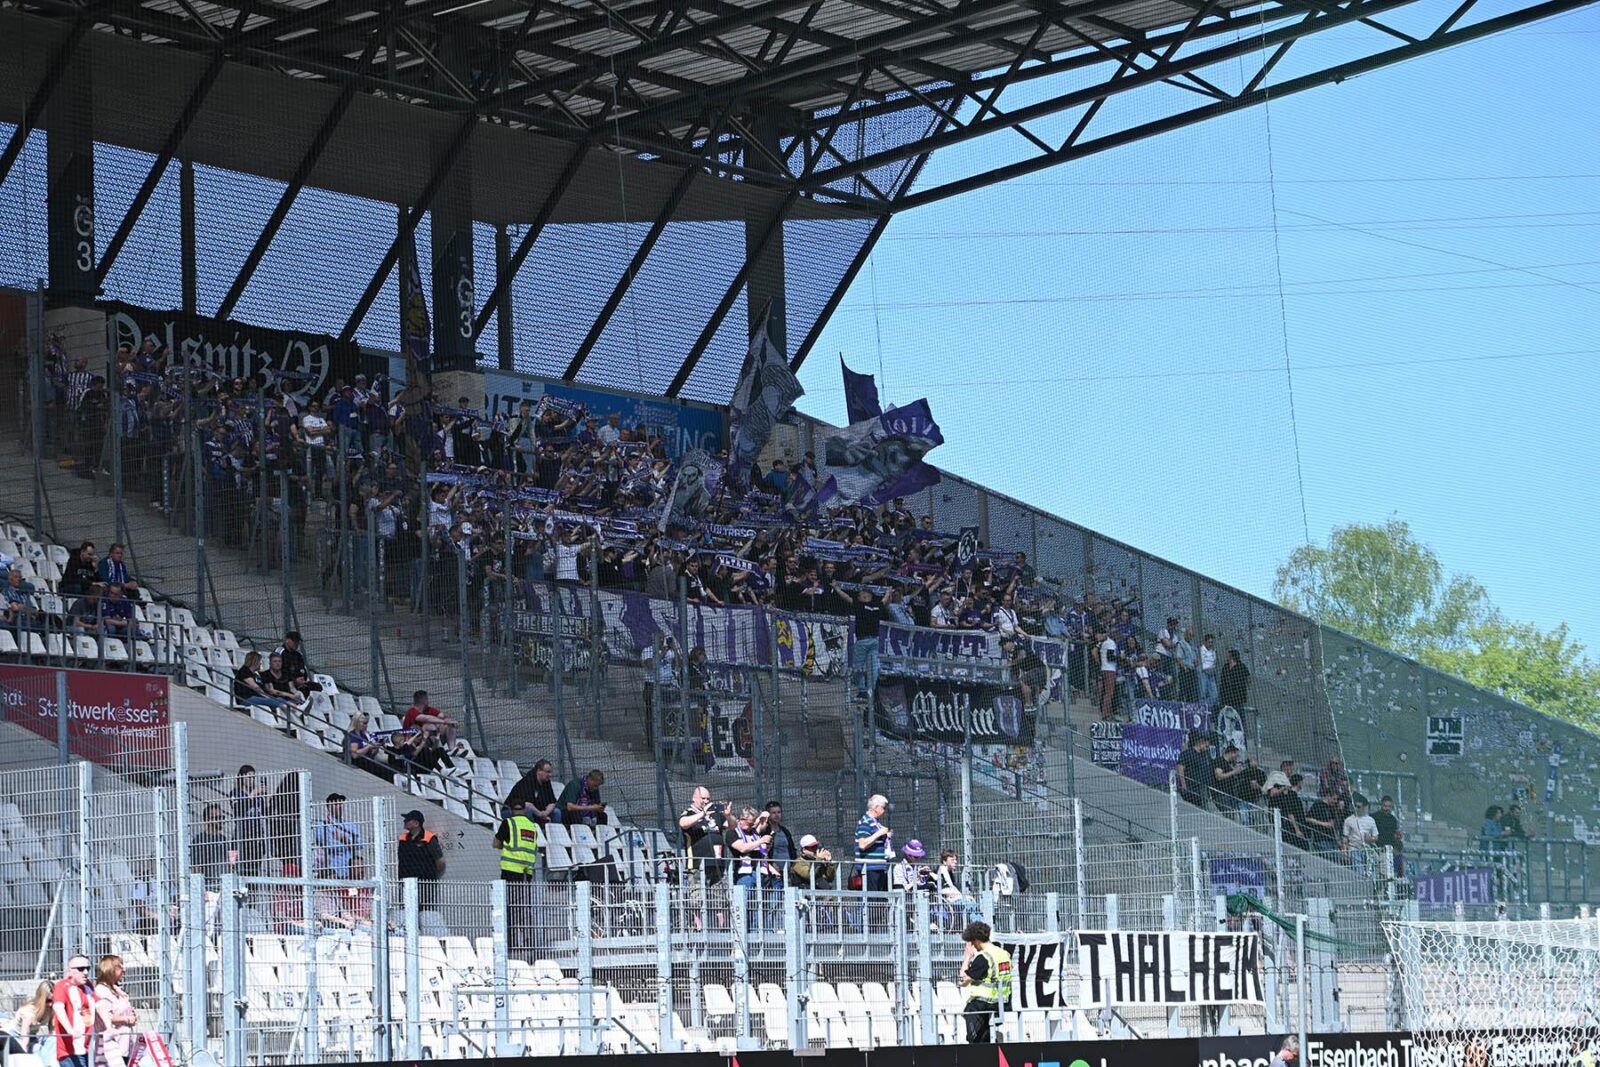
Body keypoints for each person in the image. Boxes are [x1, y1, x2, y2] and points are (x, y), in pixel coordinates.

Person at [678, 785, 729, 930]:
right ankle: (698, 927)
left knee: (719, 898)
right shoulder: (689, 813)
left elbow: (731, 826)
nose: (706, 801)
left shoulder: (714, 814)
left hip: (717, 863)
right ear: (694, 799)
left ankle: (722, 929)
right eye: (703, 798)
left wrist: (728, 815)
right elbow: (683, 823)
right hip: (697, 864)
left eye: (708, 798)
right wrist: (702, 814)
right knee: (697, 898)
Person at [493, 802, 541, 947]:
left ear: (512, 810)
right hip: (528, 873)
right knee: (524, 908)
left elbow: (496, 844)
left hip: (511, 870)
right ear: (525, 810)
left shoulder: (508, 823)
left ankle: (511, 943)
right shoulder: (532, 826)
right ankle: (528, 942)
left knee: (510, 907)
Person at [958, 920, 1011, 1044]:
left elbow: (963, 980)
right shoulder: (1004, 954)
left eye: (971, 941)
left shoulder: (983, 957)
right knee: (987, 1038)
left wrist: (967, 957)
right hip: (1002, 1003)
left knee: (975, 1041)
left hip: (982, 1005)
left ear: (975, 940)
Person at [92, 955, 140, 1067]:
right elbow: (107, 1016)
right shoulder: (101, 991)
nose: (124, 969)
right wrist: (127, 1019)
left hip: (126, 1042)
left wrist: (132, 1014)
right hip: (112, 1045)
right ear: (110, 970)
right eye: (119, 967)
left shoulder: (116, 990)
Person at [51, 956, 95, 1067]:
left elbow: (94, 1007)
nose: (85, 972)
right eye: (81, 969)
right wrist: (70, 1030)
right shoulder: (62, 986)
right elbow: (58, 1008)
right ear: (70, 971)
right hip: (69, 1050)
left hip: (87, 1046)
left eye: (87, 968)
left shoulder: (88, 985)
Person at [397, 809, 445, 907]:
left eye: (407, 820)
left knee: (424, 908)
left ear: (416, 823)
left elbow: (440, 861)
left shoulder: (429, 838)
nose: (404, 821)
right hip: (406, 882)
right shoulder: (403, 839)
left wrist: (431, 876)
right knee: (406, 907)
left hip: (425, 883)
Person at [314, 792, 364, 879]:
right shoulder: (322, 825)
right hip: (333, 867)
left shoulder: (349, 825)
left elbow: (361, 843)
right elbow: (329, 845)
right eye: (336, 804)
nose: (340, 806)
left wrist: (345, 840)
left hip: (350, 867)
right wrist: (350, 843)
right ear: (329, 806)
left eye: (341, 804)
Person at [190, 802, 233, 891]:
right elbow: (196, 868)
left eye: (222, 817)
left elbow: (229, 865)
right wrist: (200, 890)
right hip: (208, 888)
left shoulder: (223, 839)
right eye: (217, 818)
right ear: (208, 820)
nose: (221, 821)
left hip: (224, 887)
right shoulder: (199, 840)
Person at [855, 794, 893, 892]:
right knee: (871, 900)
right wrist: (879, 833)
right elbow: (862, 844)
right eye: (883, 808)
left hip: (879, 866)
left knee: (880, 900)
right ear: (875, 807)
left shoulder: (876, 823)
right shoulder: (865, 822)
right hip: (869, 868)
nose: (884, 811)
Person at [504, 759, 560, 825]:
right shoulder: (526, 782)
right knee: (528, 811)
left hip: (537, 812)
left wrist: (546, 813)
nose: (550, 775)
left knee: (556, 812)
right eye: (547, 772)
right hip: (513, 811)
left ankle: (551, 833)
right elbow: (527, 805)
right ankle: (530, 832)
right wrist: (541, 814)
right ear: (539, 771)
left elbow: (552, 802)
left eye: (551, 772)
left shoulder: (546, 782)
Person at [342, 713, 393, 781]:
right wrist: (368, 747)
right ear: (357, 723)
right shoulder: (353, 735)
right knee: (386, 771)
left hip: (368, 760)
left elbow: (371, 754)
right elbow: (354, 755)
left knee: (390, 767)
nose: (366, 725)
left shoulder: (363, 735)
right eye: (364, 723)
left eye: (367, 723)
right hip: (358, 762)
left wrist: (376, 747)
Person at [8, 980, 52, 1055]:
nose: (51, 1004)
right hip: (17, 1036)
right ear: (41, 999)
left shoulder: (51, 1008)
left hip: (32, 1037)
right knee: (38, 1050)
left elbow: (52, 1028)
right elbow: (25, 1034)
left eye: (53, 1000)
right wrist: (24, 1054)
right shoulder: (29, 1011)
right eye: (48, 1000)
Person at [1177, 732, 1212, 808]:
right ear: (1200, 743)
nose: (1207, 747)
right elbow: (1180, 768)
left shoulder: (1205, 755)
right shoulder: (1187, 753)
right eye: (1206, 745)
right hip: (1191, 787)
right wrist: (1183, 784)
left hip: (1203, 789)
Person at [1373, 795, 1405, 876]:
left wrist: (1398, 836)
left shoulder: (1393, 820)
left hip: (1390, 849)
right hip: (1378, 848)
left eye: (1389, 806)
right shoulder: (1374, 817)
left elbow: (1394, 834)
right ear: (1381, 805)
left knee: (1399, 859)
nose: (1387, 808)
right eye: (1385, 806)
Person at [1197, 633, 1219, 704]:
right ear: (1205, 642)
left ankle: (1209, 707)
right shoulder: (1201, 650)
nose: (1210, 644)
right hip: (1203, 674)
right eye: (1209, 642)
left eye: (1212, 642)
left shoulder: (1213, 651)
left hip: (1211, 675)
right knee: (1203, 693)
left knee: (1214, 694)